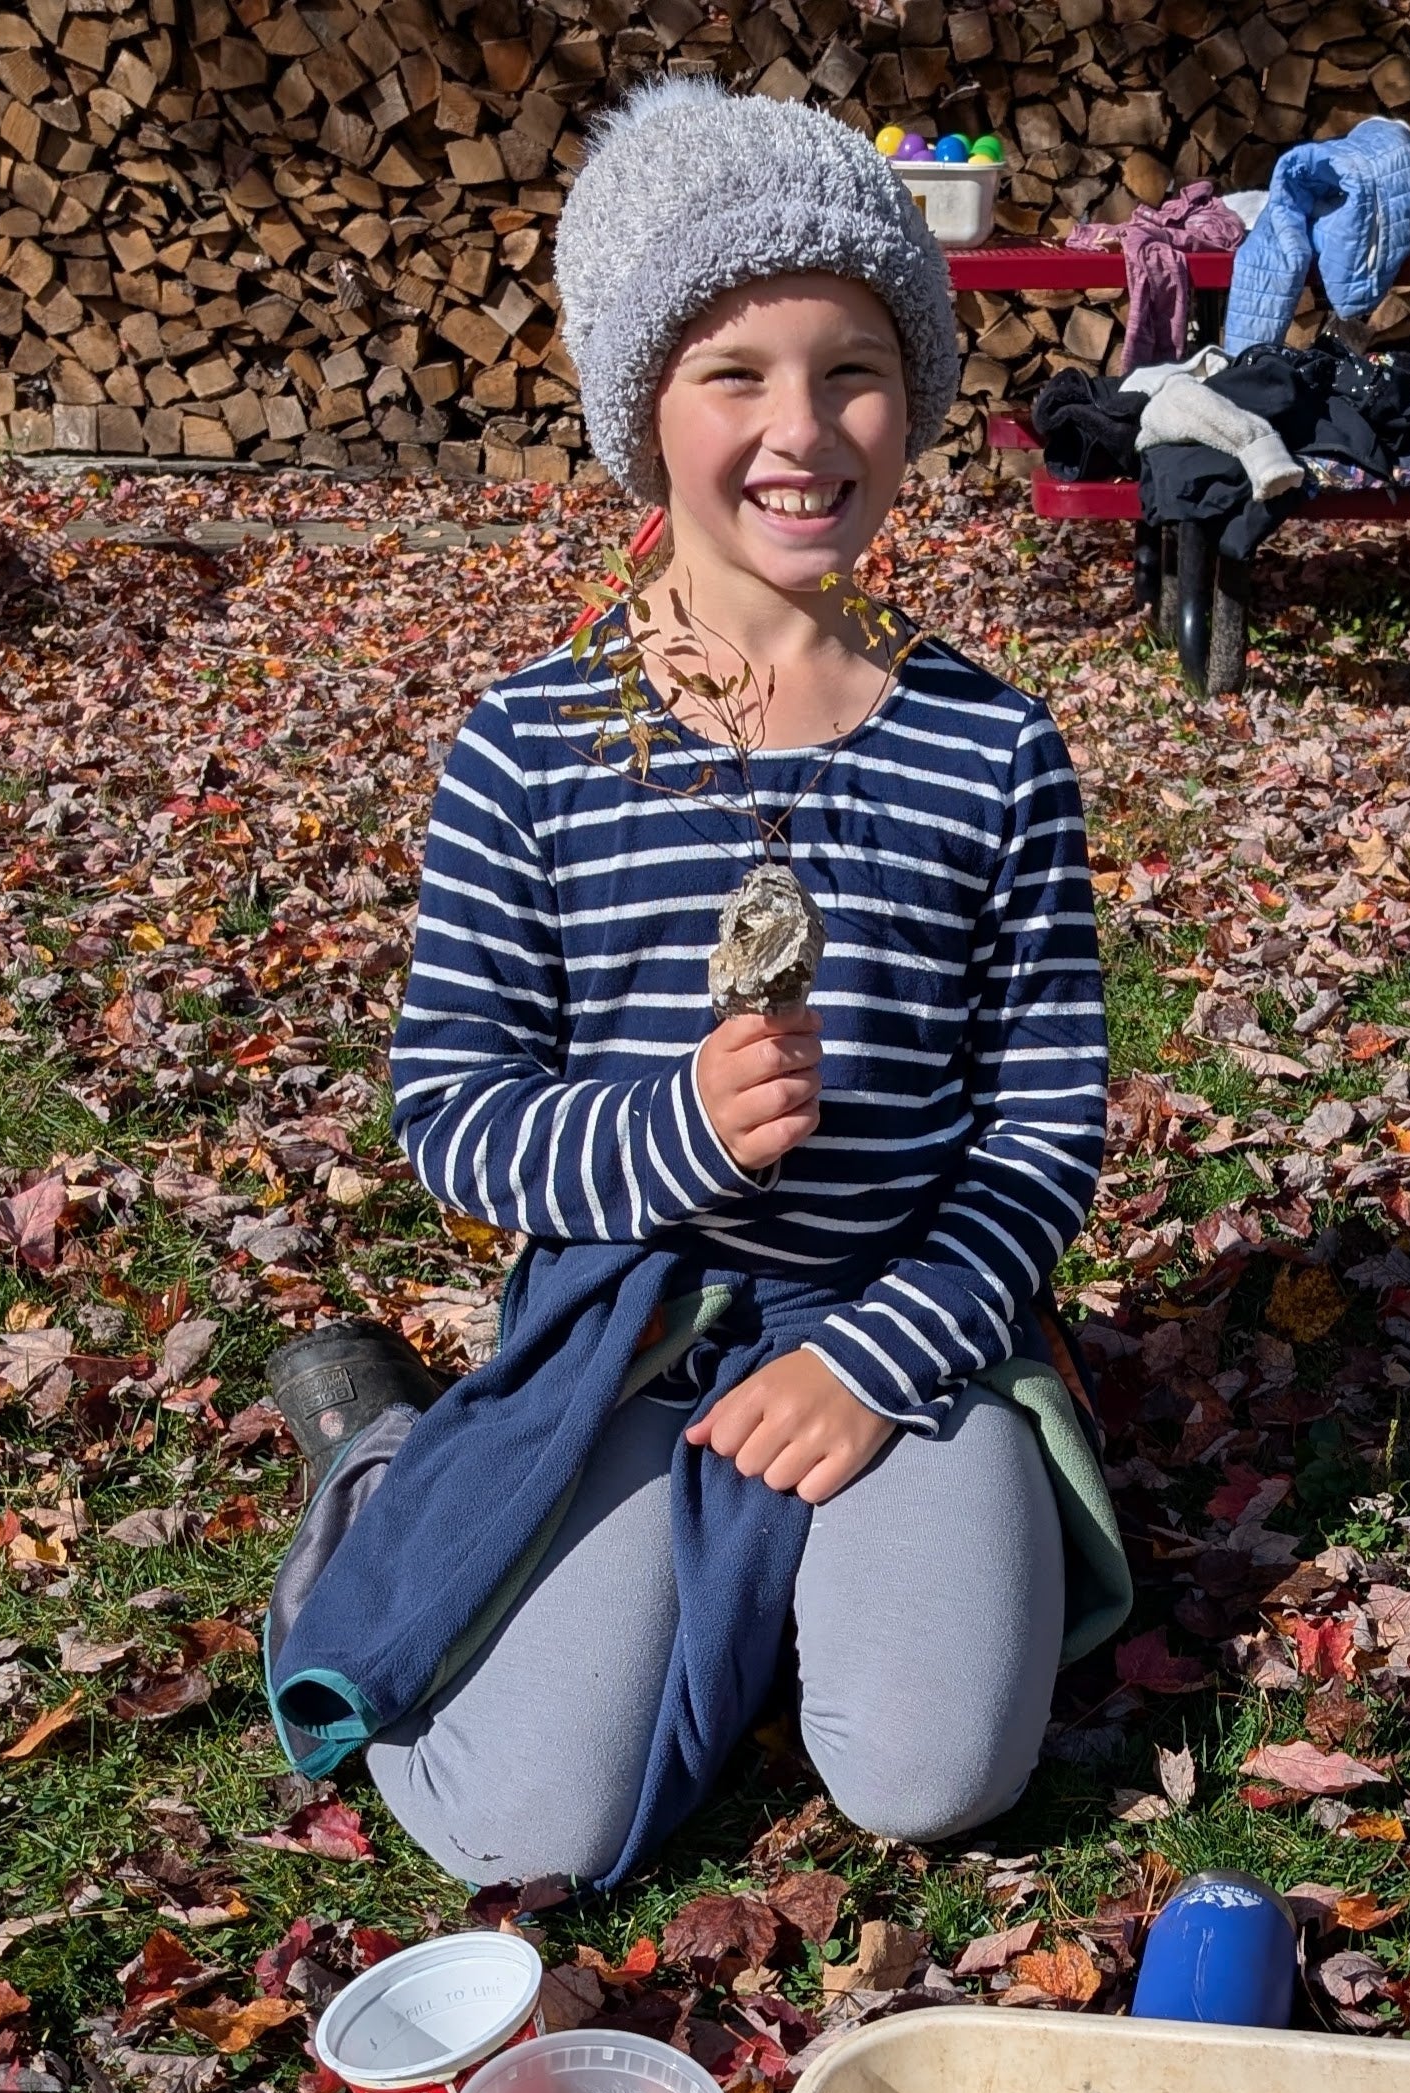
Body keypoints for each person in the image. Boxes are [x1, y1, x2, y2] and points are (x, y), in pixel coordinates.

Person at [259, 82, 1120, 1895]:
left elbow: (1044, 1121)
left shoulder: (992, 746)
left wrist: (881, 1356)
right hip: (624, 1337)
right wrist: (667, 1131)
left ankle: (829, 1558)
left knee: (931, 1771)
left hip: (908, 1323)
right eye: (734, 371)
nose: (800, 431)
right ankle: (380, 1472)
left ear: (920, 396)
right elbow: (453, 1113)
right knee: (529, 1822)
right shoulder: (533, 746)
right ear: (642, 411)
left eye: (854, 368)